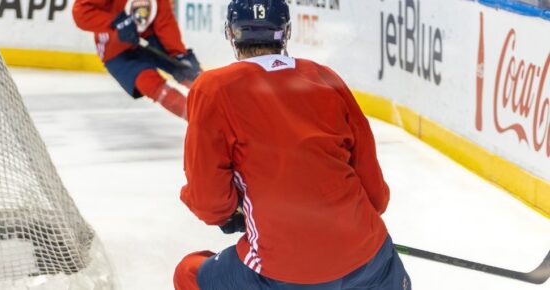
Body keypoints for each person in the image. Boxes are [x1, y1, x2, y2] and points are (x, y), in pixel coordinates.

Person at [174, 0, 412, 289]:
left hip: (283, 272)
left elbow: (209, 200)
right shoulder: (324, 76)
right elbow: (375, 195)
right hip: (373, 262)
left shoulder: (212, 89)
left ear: (231, 34)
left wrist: (230, 214)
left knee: (188, 273)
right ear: (286, 32)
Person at [72, 0, 201, 119]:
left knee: (189, 72)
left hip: (149, 37)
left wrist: (179, 54)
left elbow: (165, 22)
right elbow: (80, 11)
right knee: (149, 81)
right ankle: (200, 119)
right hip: (116, 48)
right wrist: (115, 22)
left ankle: (217, 106)